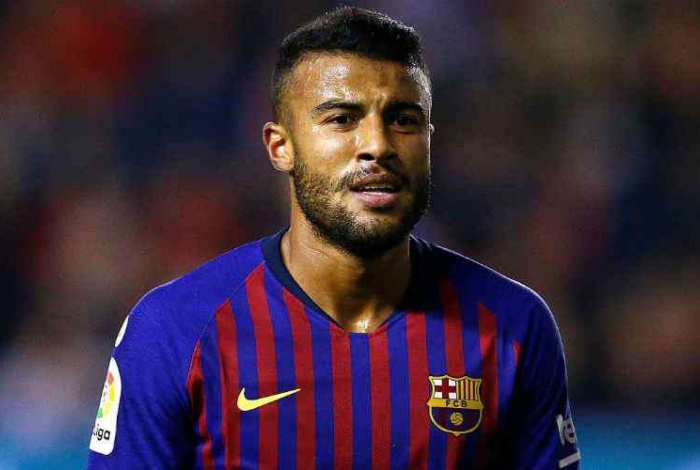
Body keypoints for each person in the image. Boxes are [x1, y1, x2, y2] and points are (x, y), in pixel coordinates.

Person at [87, 7, 580, 469]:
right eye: (342, 119)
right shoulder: (175, 330)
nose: (378, 145)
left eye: (403, 120)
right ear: (280, 147)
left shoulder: (514, 327)